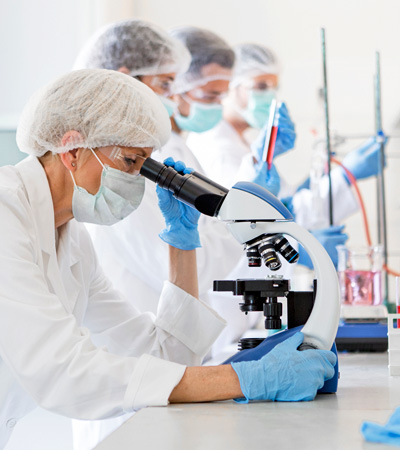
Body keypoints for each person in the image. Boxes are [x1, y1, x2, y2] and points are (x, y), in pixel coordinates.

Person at [0, 69, 336, 449]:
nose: (136, 180)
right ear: (73, 150)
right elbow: (62, 371)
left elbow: (166, 354)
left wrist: (183, 242)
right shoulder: (5, 213)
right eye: (130, 162)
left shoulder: (72, 241)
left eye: (144, 165)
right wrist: (245, 379)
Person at [187, 43, 384, 266]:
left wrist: (322, 177)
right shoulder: (219, 148)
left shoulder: (242, 141)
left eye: (273, 88)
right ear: (231, 85)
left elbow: (283, 206)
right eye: (261, 86)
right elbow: (242, 227)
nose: (269, 96)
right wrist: (347, 175)